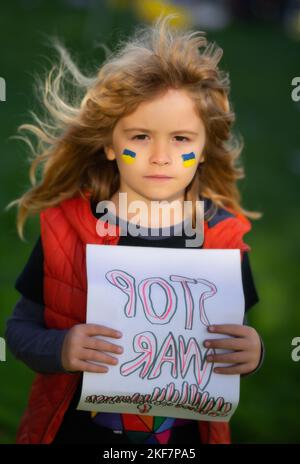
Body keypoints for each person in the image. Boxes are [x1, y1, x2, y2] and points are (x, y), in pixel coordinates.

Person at [6, 15, 264, 445]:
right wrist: (62, 349)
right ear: (110, 144)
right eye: (141, 136)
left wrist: (253, 354)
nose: (161, 156)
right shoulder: (66, 231)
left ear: (203, 150)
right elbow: (19, 330)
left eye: (181, 138)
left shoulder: (223, 240)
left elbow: (235, 340)